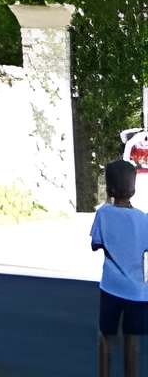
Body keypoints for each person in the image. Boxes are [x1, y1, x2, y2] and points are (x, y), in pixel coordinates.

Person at [93, 157, 148, 375]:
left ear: (109, 189)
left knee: (105, 337)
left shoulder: (103, 214)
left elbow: (96, 244)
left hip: (110, 287)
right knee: (132, 342)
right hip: (137, 291)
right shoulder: (142, 219)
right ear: (133, 189)